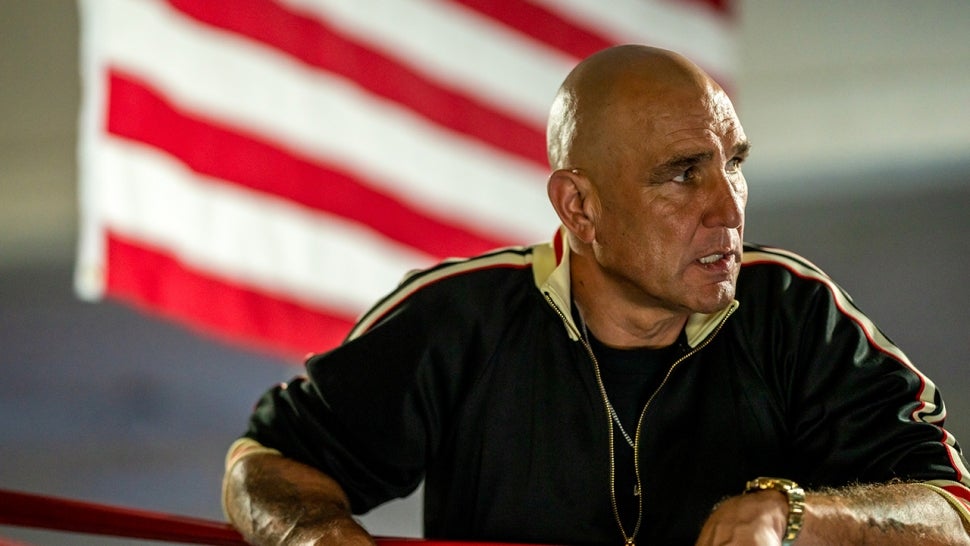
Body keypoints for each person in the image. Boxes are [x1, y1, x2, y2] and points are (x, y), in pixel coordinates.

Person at [222, 45, 970, 545]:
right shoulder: (459, 318)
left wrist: (794, 515)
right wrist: (319, 538)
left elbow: (951, 512)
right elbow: (263, 463)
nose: (729, 207)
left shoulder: (795, 311)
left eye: (733, 164)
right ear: (579, 208)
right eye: (683, 173)